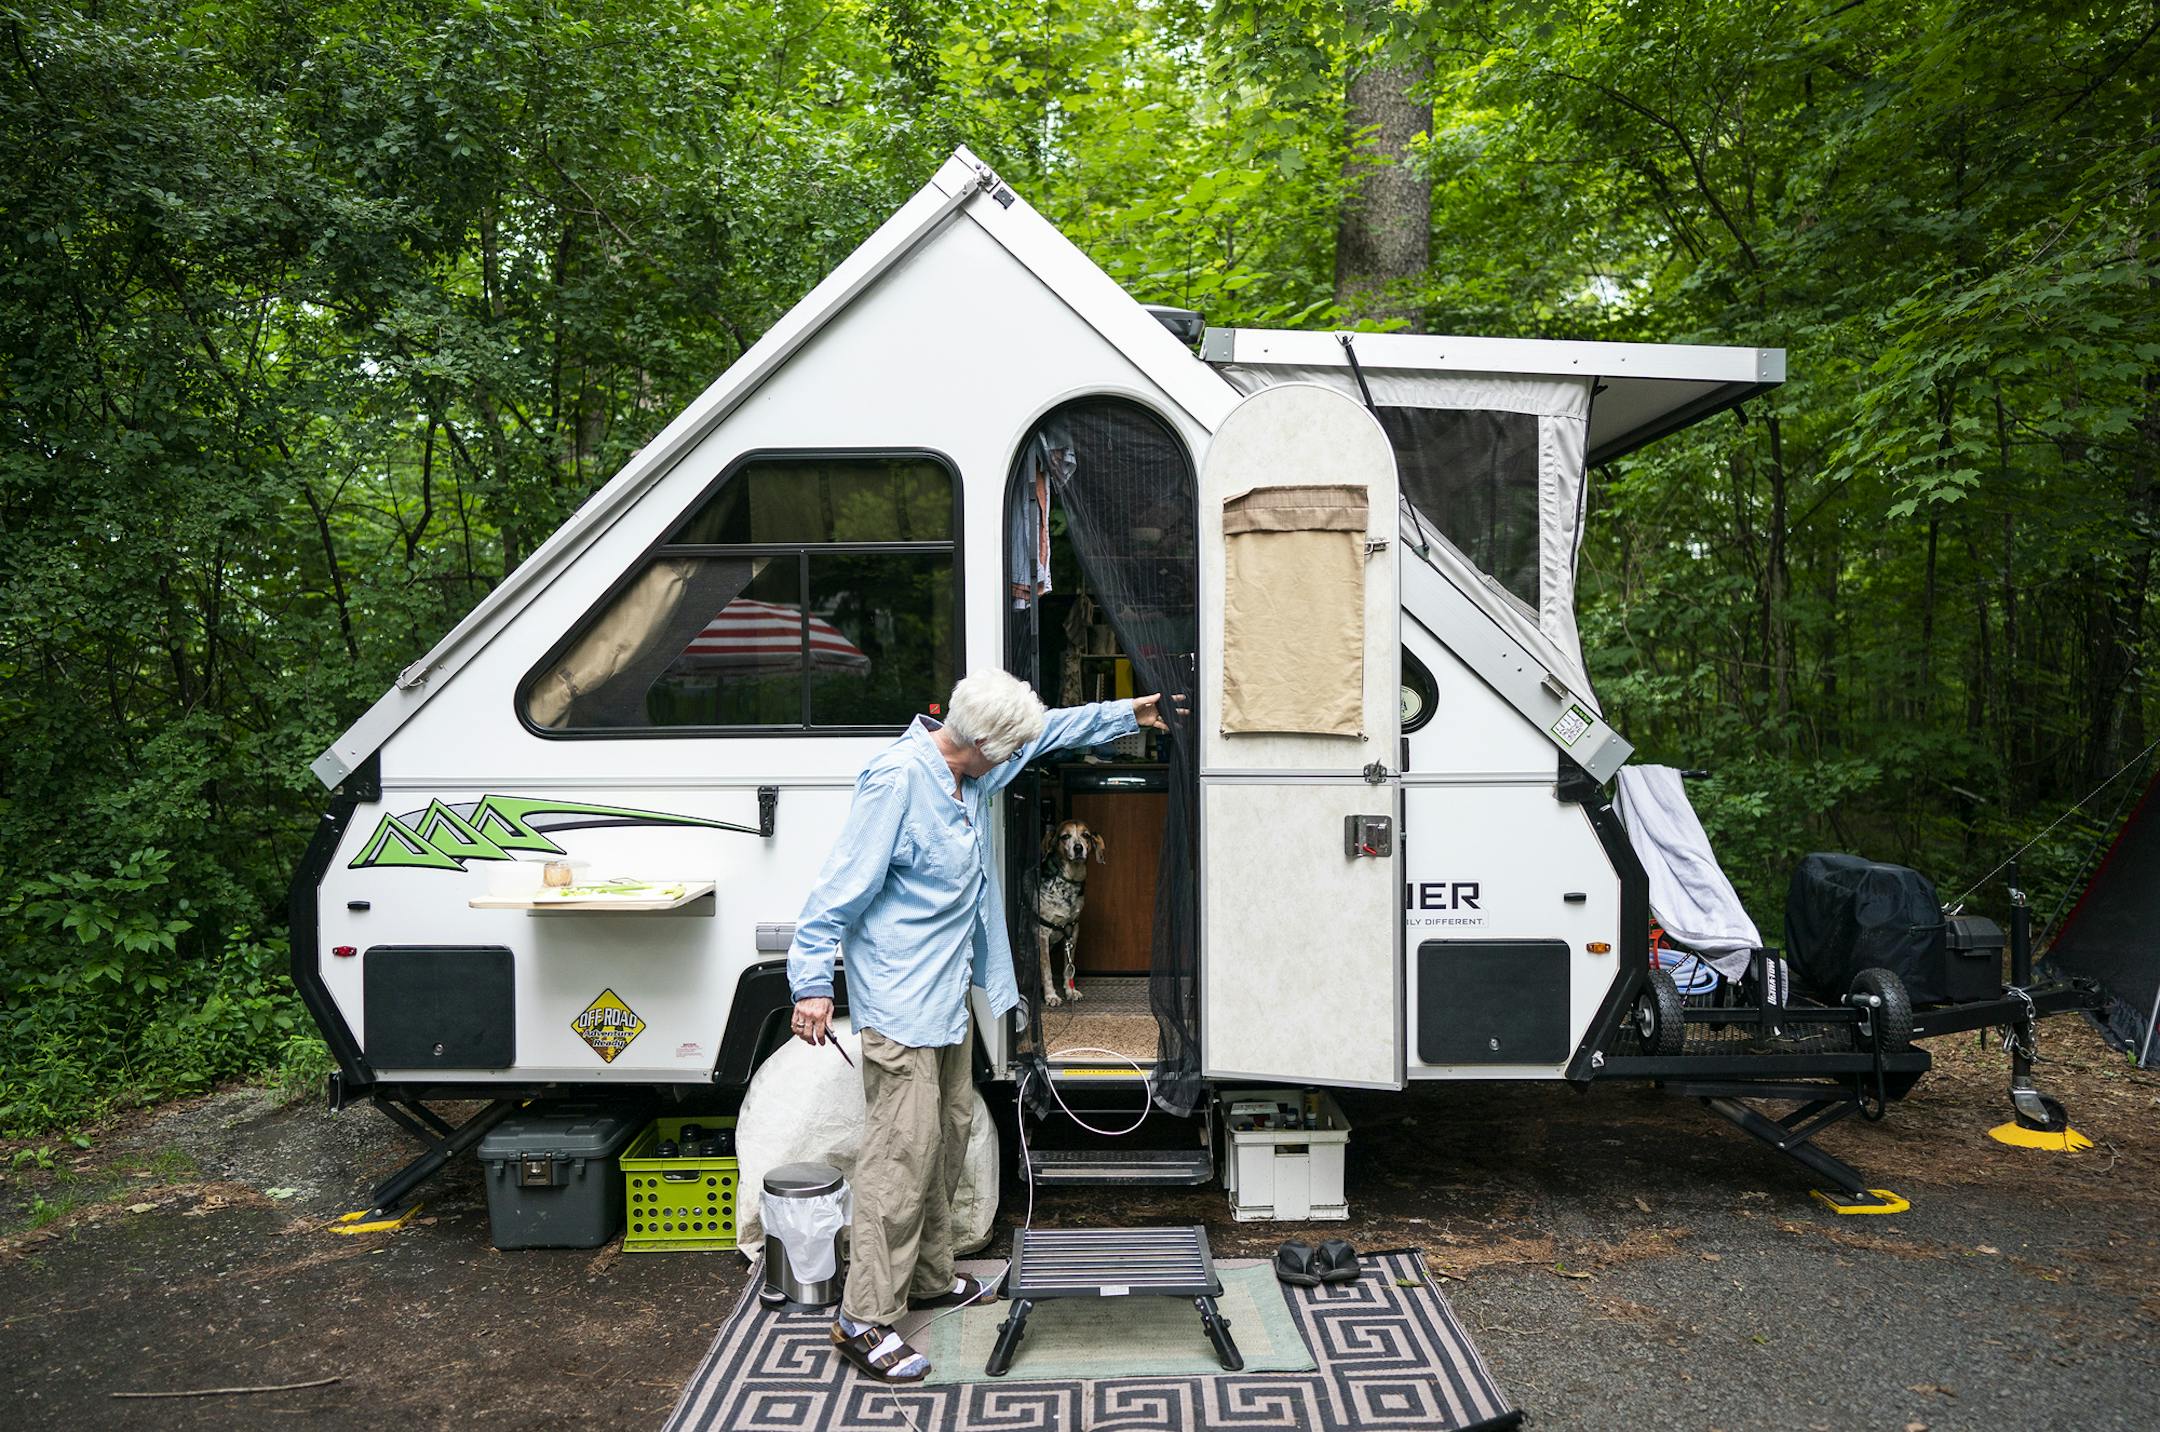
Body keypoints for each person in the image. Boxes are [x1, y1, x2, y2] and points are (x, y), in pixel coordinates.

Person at [786, 670, 1171, 1383]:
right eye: (1010, 749)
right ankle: (862, 1318)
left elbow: (1046, 731)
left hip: (946, 994)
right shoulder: (898, 781)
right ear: (983, 742)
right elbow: (836, 890)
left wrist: (1127, 713)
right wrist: (811, 983)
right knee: (899, 1158)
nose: (1017, 759)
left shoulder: (971, 769)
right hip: (901, 1003)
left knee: (948, 1134)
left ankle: (930, 1277)